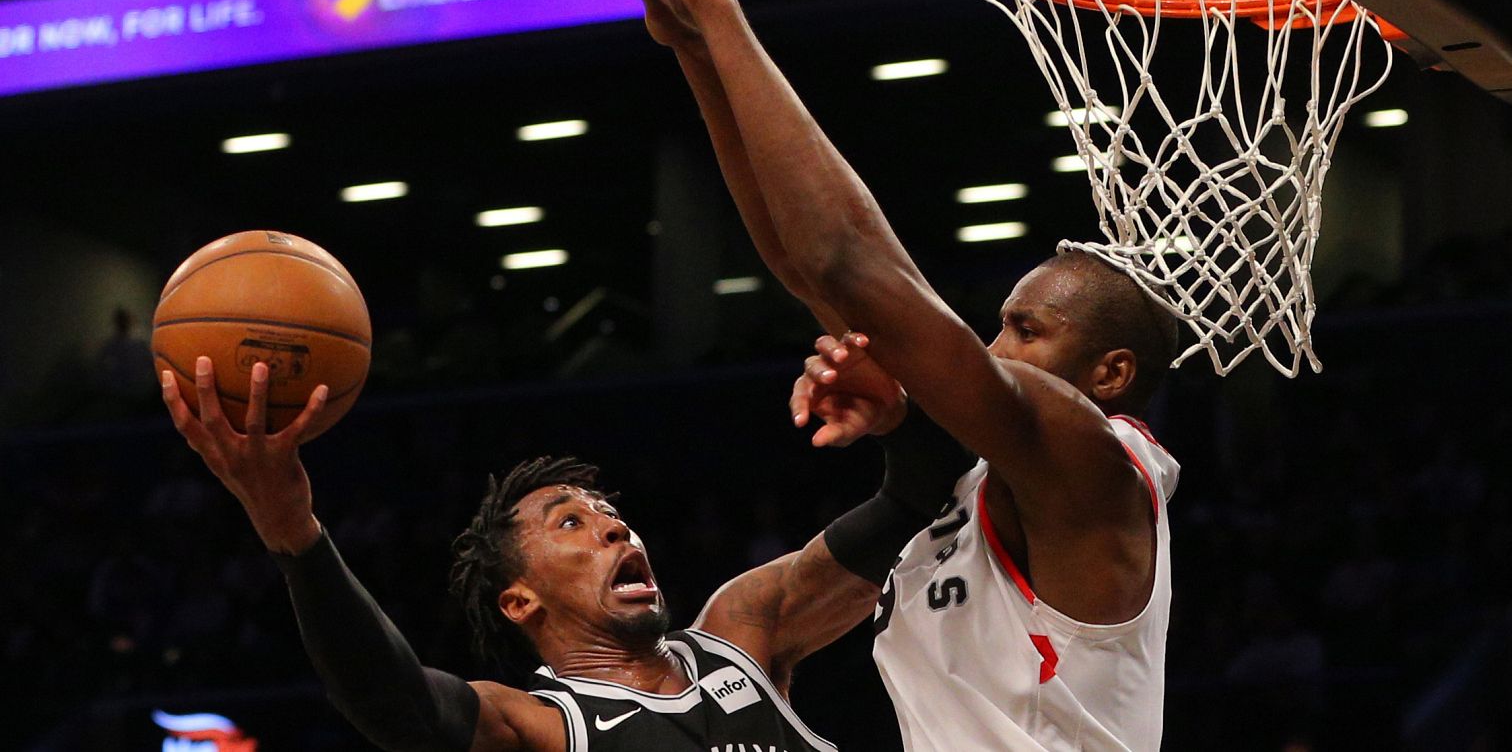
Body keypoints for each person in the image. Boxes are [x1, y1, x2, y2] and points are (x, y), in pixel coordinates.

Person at [634, 0, 1182, 748]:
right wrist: (697, 50)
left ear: (1110, 372)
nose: (995, 349)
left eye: (1027, 331)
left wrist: (725, 11)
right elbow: (806, 270)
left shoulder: (1098, 465)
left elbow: (847, 264)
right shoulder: (973, 479)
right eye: (999, 327)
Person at [158, 354, 971, 751]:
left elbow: (914, 504)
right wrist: (294, 533)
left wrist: (897, 415)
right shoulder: (543, 726)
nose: (617, 529)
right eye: (571, 524)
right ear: (521, 601)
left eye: (612, 515)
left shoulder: (743, 633)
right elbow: (392, 703)